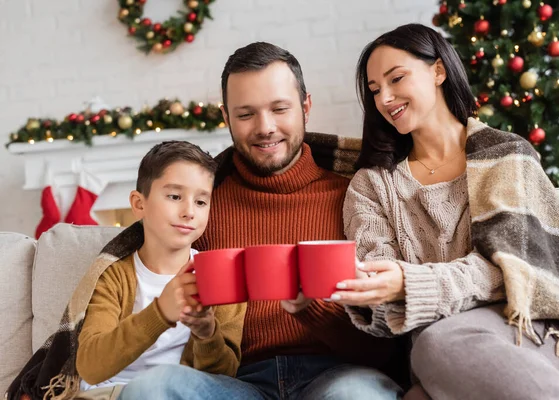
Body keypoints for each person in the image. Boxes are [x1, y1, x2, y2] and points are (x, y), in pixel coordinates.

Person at [119, 42, 403, 400]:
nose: (265, 127)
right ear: (226, 118)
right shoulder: (202, 209)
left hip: (340, 374)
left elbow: (386, 344)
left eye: (280, 108)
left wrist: (309, 307)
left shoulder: (356, 197)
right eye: (246, 114)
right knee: (151, 388)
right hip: (239, 384)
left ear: (306, 107)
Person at [331, 23, 559, 400]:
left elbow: (516, 268)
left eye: (396, 79)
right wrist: (364, 290)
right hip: (441, 356)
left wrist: (412, 284)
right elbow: (381, 305)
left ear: (438, 71)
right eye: (375, 90)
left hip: (533, 335)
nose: (385, 98)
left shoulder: (505, 155)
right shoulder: (372, 185)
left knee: (438, 342)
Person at [6, 141, 246, 400]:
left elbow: (223, 377)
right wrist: (160, 312)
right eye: (175, 196)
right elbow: (90, 366)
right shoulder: (113, 277)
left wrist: (207, 333)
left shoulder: (222, 277)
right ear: (139, 204)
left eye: (201, 202)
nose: (189, 211)